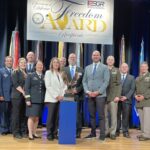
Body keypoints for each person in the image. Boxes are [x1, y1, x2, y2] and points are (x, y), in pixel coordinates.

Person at [82, 50, 110, 141]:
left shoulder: (105, 67)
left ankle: (102, 135)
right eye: (94, 55)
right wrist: (87, 91)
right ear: (91, 56)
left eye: (97, 55)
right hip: (90, 95)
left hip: (100, 95)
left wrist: (98, 92)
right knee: (92, 115)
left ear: (100, 57)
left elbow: (106, 81)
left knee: (101, 116)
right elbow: (84, 81)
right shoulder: (87, 68)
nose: (95, 56)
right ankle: (93, 133)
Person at [44, 57, 67, 141]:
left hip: (60, 99)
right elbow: (48, 86)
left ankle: (55, 133)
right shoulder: (48, 73)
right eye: (54, 62)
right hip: (51, 98)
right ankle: (49, 134)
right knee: (50, 117)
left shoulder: (62, 73)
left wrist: (62, 95)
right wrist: (56, 95)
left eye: (57, 62)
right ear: (52, 64)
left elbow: (65, 86)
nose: (56, 64)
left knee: (57, 117)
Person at [62, 53, 84, 138]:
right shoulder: (63, 69)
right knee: (67, 114)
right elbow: (61, 82)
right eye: (71, 57)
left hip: (77, 95)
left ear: (76, 59)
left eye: (74, 57)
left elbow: (83, 83)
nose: (72, 59)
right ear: (68, 59)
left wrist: (77, 90)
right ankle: (67, 130)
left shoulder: (81, 70)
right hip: (66, 95)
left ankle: (78, 131)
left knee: (77, 114)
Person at [25, 60, 45, 140]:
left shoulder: (44, 76)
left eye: (41, 65)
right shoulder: (30, 75)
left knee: (37, 117)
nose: (40, 66)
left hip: (41, 100)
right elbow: (27, 88)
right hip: (32, 100)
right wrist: (28, 99)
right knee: (31, 117)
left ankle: (34, 132)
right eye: (38, 65)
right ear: (35, 66)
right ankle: (30, 133)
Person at [116, 63, 135, 138]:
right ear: (120, 68)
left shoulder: (132, 77)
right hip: (117, 99)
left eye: (125, 67)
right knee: (117, 116)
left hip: (126, 100)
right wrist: (118, 96)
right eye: (122, 67)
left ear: (128, 68)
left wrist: (126, 97)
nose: (124, 68)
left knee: (126, 116)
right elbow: (114, 87)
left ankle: (125, 131)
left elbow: (132, 89)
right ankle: (117, 130)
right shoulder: (117, 77)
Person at [105, 56, 121, 140]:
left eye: (112, 59)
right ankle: (107, 131)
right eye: (109, 59)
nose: (110, 61)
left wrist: (118, 96)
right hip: (104, 96)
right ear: (106, 61)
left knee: (114, 116)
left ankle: (113, 132)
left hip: (113, 97)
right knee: (105, 116)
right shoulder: (103, 69)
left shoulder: (117, 70)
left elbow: (119, 84)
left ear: (114, 61)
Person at [11, 58, 28, 139]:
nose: (23, 64)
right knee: (16, 115)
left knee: (23, 115)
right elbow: (15, 84)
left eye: (25, 62)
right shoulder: (15, 72)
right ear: (19, 63)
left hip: (24, 98)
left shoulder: (27, 73)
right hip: (17, 96)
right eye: (22, 62)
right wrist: (23, 92)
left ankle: (23, 131)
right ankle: (16, 132)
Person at [135, 62, 150, 141]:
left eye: (145, 67)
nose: (143, 68)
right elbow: (135, 89)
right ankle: (144, 133)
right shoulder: (137, 78)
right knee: (142, 118)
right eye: (142, 67)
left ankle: (147, 135)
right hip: (138, 101)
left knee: (147, 119)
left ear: (147, 67)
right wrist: (135, 96)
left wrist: (144, 96)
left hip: (147, 101)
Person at [0, 56, 13, 135]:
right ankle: (4, 129)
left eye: (10, 61)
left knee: (11, 114)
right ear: (5, 62)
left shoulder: (14, 71)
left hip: (13, 97)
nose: (9, 62)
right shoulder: (1, 71)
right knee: (4, 114)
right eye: (7, 61)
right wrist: (1, 95)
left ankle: (10, 129)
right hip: (4, 96)